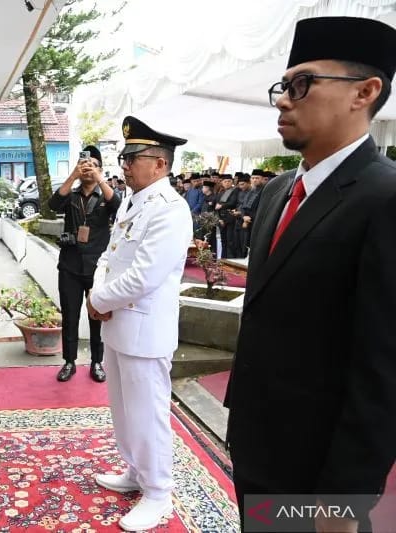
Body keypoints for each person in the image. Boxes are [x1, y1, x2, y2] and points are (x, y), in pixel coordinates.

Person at [225, 16, 396, 533]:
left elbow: (383, 367)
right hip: (257, 440)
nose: (282, 99)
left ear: (363, 92)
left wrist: (344, 499)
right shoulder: (278, 191)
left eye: (302, 84)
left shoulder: (384, 198)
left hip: (319, 468)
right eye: (283, 85)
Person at [87, 116, 192, 531]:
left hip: (145, 330)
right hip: (118, 324)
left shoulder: (170, 210)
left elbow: (145, 275)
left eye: (134, 157)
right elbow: (109, 257)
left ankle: (159, 492)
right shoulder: (135, 203)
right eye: (124, 156)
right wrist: (97, 293)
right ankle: (135, 471)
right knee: (124, 409)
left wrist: (97, 299)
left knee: (148, 413)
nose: (125, 164)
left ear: (161, 165)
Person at [49, 145, 120, 383]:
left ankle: (97, 362)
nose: (89, 169)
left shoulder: (105, 195)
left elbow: (117, 205)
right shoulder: (72, 193)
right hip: (69, 265)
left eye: (94, 166)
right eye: (85, 165)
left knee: (97, 315)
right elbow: (52, 204)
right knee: (70, 315)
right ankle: (69, 362)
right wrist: (74, 175)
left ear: (100, 169)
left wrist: (99, 177)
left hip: (97, 268)